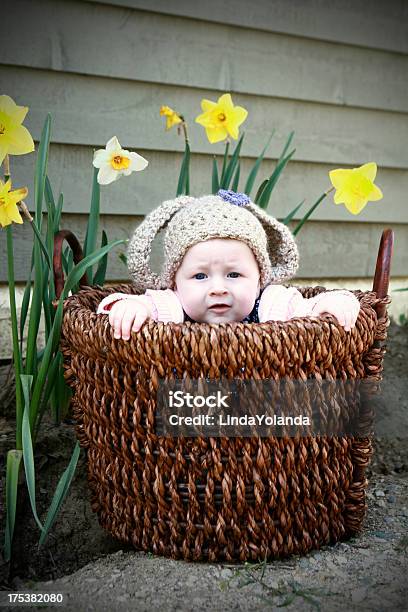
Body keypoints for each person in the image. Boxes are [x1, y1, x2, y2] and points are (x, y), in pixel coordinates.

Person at [96, 190, 360, 340]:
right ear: (175, 282)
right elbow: (147, 305)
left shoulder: (270, 303)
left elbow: (304, 309)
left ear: (259, 279)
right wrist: (132, 308)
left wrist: (328, 305)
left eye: (234, 274)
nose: (218, 288)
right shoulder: (173, 305)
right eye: (200, 276)